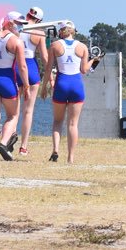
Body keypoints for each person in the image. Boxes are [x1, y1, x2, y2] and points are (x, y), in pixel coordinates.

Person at [0, 12, 30, 161]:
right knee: (13, 115)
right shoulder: (16, 42)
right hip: (7, 80)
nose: (20, 27)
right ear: (8, 23)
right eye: (18, 23)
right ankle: (2, 143)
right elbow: (22, 66)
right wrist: (26, 86)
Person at [47, 21, 91, 163]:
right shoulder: (83, 47)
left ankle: (55, 149)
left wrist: (44, 86)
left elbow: (48, 68)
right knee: (73, 124)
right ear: (73, 31)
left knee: (57, 121)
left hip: (61, 84)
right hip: (76, 85)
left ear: (61, 31)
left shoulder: (55, 45)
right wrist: (94, 60)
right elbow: (84, 70)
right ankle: (70, 157)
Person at [14, 6, 48, 156]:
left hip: (16, 66)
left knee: (14, 111)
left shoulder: (16, 29)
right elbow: (44, 57)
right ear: (39, 20)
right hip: (31, 68)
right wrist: (51, 77)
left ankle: (9, 138)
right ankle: (23, 146)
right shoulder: (39, 32)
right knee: (28, 111)